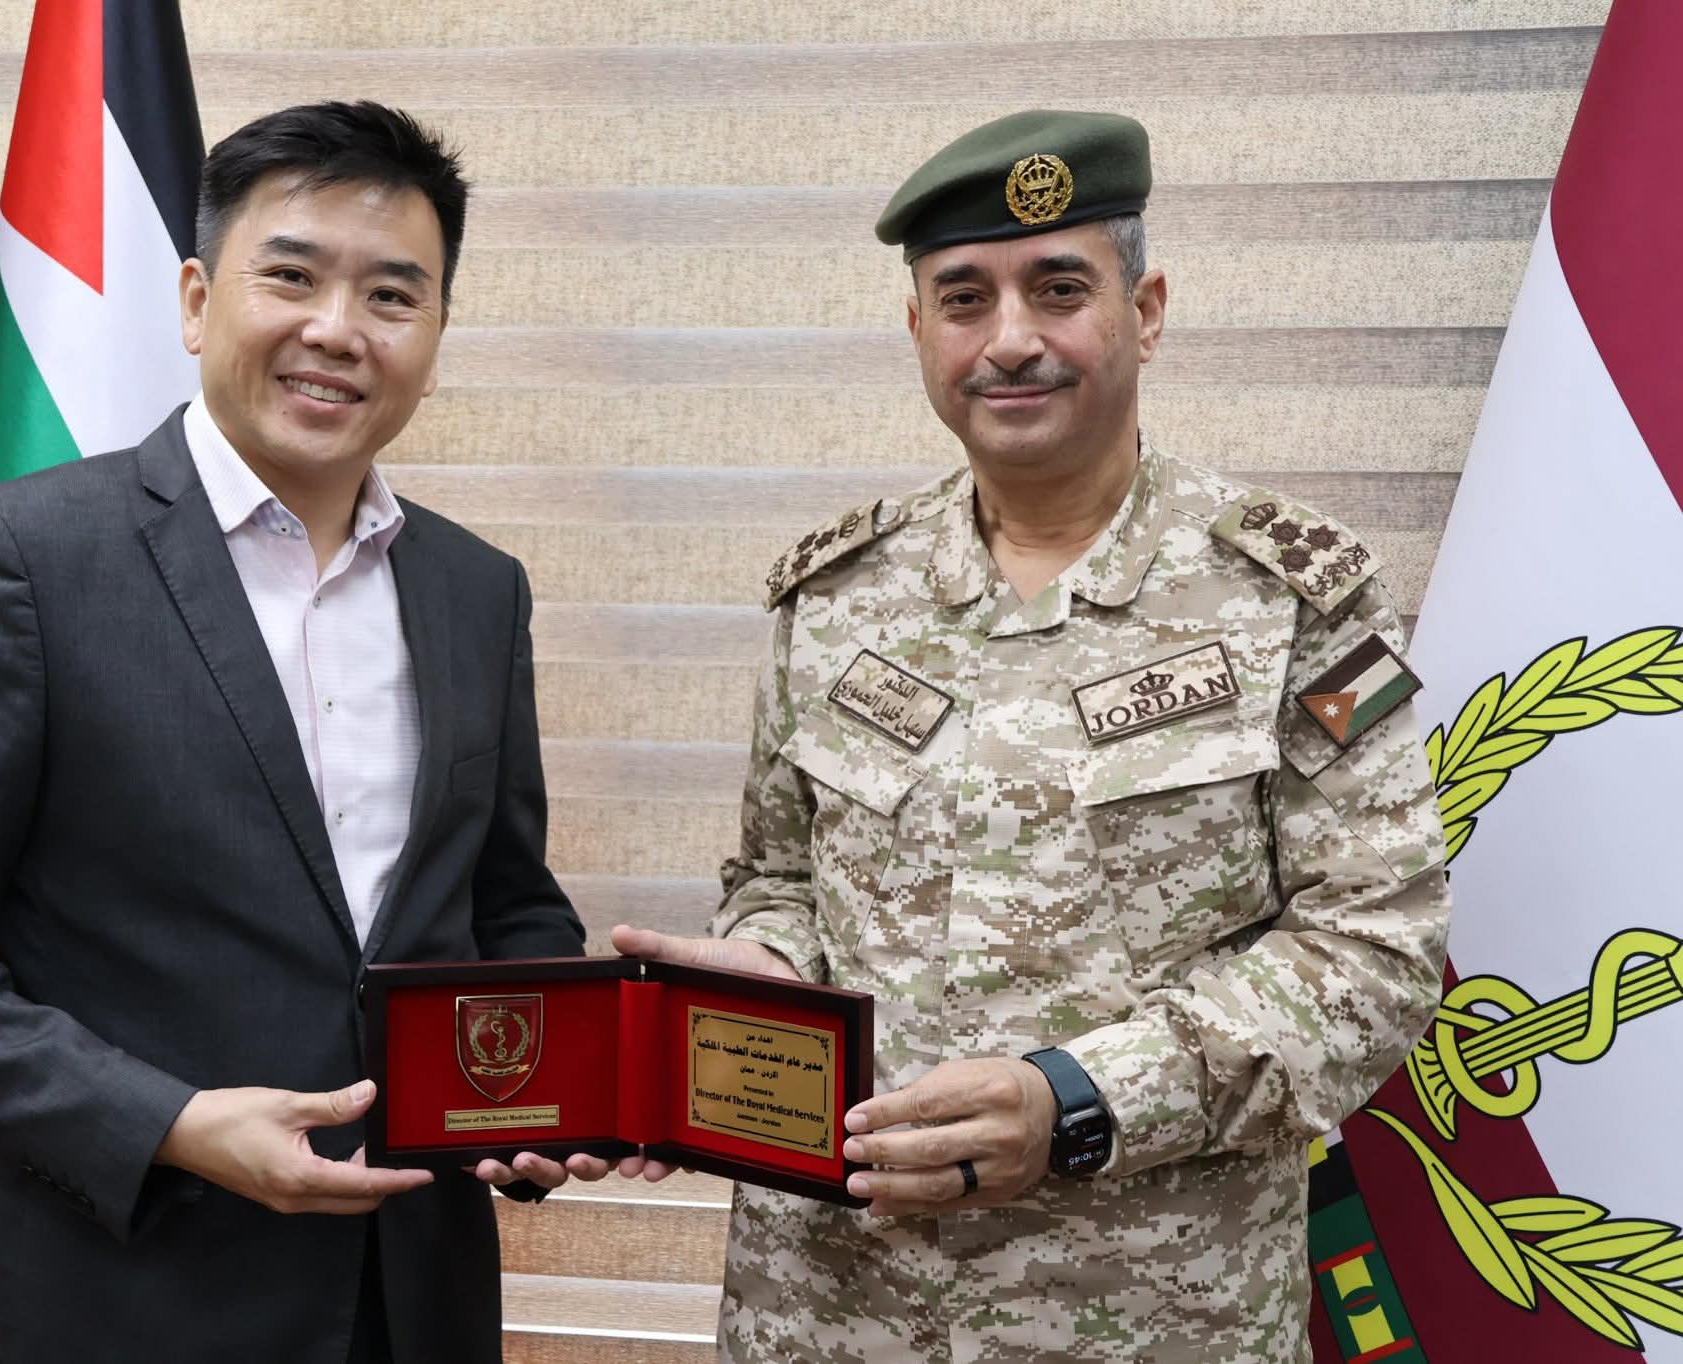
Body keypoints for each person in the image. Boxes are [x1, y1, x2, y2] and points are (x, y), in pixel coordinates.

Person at [613, 108, 1452, 1361]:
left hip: (1149, 1311)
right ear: (917, 329)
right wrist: (765, 968)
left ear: (1143, 312)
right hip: (830, 1306)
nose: (1009, 339)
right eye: (963, 298)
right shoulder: (834, 596)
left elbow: (1374, 947)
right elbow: (779, 875)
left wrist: (1076, 1099)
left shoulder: (1289, 595)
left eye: (1058, 289)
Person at [0, 102, 601, 1363]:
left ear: (436, 335)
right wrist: (165, 1120)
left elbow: (504, 898)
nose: (336, 328)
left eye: (392, 295)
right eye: (290, 275)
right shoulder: (21, 558)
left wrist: (556, 1079)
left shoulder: (475, 587)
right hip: (134, 1296)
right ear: (194, 300)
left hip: (416, 1299)